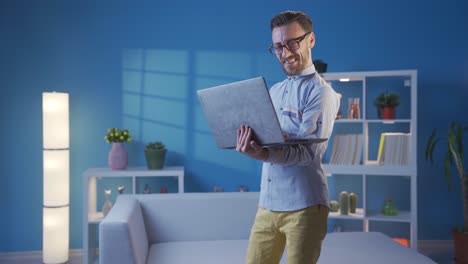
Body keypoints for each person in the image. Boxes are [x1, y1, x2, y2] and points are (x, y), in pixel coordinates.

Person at [236, 10, 340, 264]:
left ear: (311, 40)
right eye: (279, 46)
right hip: (268, 205)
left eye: (293, 43)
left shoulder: (322, 94)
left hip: (305, 206)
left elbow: (308, 153)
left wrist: (266, 153)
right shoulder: (274, 91)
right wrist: (251, 141)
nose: (286, 52)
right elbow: (269, 138)